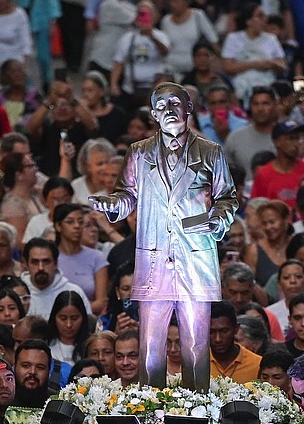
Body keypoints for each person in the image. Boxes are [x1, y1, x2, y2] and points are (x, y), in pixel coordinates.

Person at [91, 83, 237, 390]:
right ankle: (149, 411)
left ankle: (197, 412)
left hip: (195, 257)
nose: (169, 109)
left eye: (175, 103)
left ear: (188, 108)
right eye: (161, 105)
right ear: (153, 115)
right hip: (154, 258)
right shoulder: (139, 152)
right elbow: (127, 194)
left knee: (196, 345)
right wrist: (112, 204)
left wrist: (218, 219)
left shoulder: (211, 151)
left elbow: (228, 197)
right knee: (150, 346)